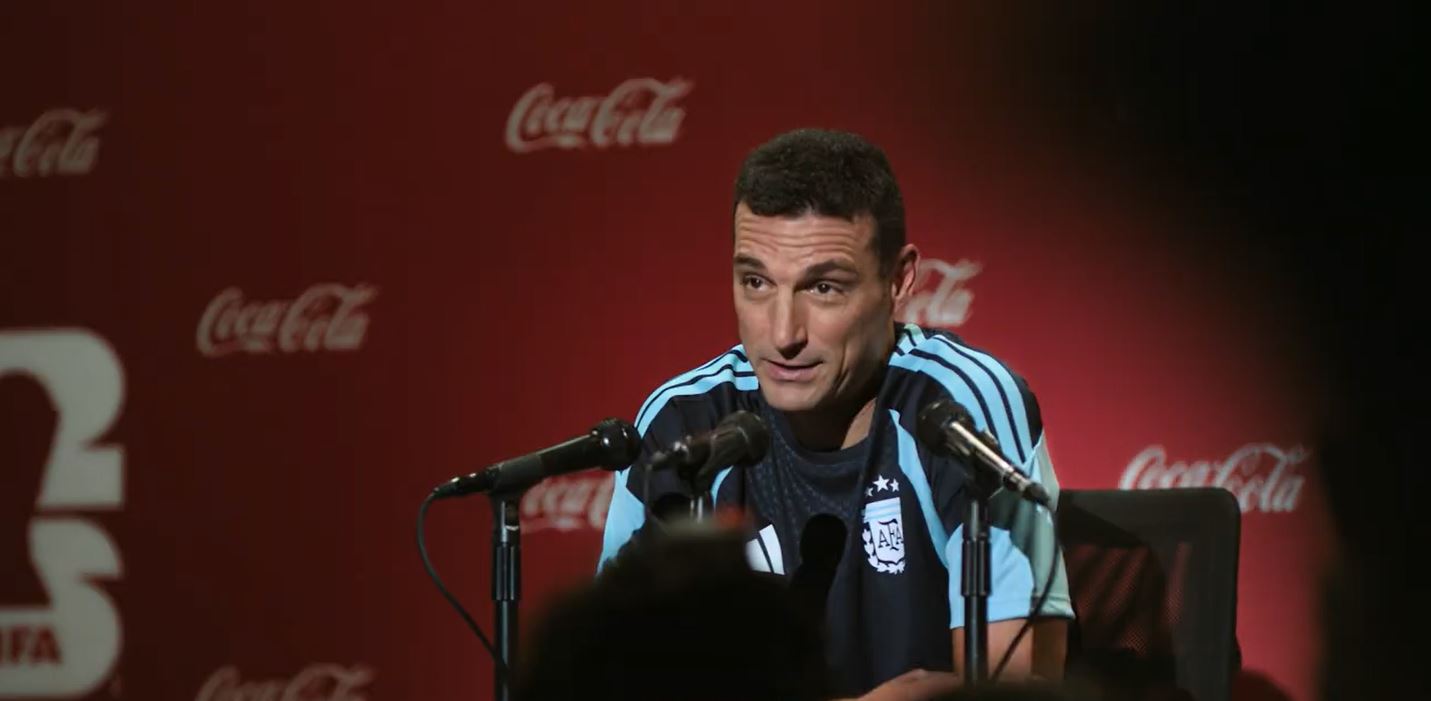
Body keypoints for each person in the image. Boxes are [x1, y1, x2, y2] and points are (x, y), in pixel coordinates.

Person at [599, 128, 1073, 699]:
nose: (783, 334)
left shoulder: (957, 407)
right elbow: (607, 675)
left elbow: (1013, 689)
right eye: (756, 282)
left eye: (823, 288)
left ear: (898, 281)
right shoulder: (685, 422)